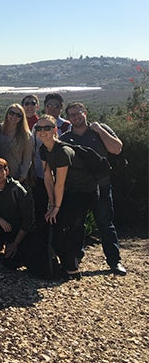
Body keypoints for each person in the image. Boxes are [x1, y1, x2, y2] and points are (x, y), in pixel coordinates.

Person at [62, 102, 127, 276]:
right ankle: (76, 259)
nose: (76, 117)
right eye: (72, 115)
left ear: (85, 112)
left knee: (105, 223)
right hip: (78, 190)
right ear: (68, 118)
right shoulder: (66, 139)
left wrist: (99, 131)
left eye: (79, 113)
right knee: (77, 225)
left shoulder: (100, 130)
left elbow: (117, 148)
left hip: (101, 185)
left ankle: (115, 261)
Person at [37, 115, 97, 280]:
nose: (42, 132)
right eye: (39, 128)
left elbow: (59, 183)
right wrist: (52, 204)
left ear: (55, 129)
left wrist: (56, 208)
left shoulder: (63, 151)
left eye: (47, 128)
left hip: (84, 191)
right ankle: (70, 262)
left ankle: (71, 268)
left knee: (64, 224)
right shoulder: (43, 149)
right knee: (61, 224)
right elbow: (48, 178)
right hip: (69, 190)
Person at [0, 103, 32, 184]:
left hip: (16, 177)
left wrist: (21, 177)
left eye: (18, 115)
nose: (14, 117)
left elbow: (27, 158)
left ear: (22, 118)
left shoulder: (26, 135)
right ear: (7, 114)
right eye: (11, 113)